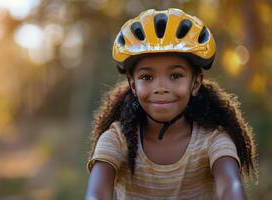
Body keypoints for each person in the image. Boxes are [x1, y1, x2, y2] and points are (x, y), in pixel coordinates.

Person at [85, 8, 258, 199]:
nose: (161, 88)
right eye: (147, 77)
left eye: (175, 76)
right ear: (133, 85)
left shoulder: (213, 140)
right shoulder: (117, 139)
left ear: (196, 83)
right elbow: (96, 194)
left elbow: (230, 187)